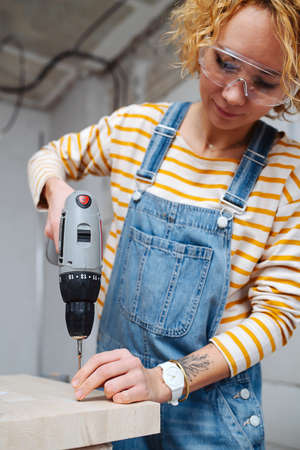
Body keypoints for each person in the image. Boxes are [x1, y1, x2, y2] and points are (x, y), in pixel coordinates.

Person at [28, 0, 300, 448]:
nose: (234, 94)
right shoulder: (134, 128)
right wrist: (55, 192)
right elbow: (48, 157)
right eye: (225, 64)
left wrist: (165, 380)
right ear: (199, 43)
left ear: (289, 87)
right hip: (122, 401)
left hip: (212, 418)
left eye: (264, 82)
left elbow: (276, 316)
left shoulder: (287, 172)